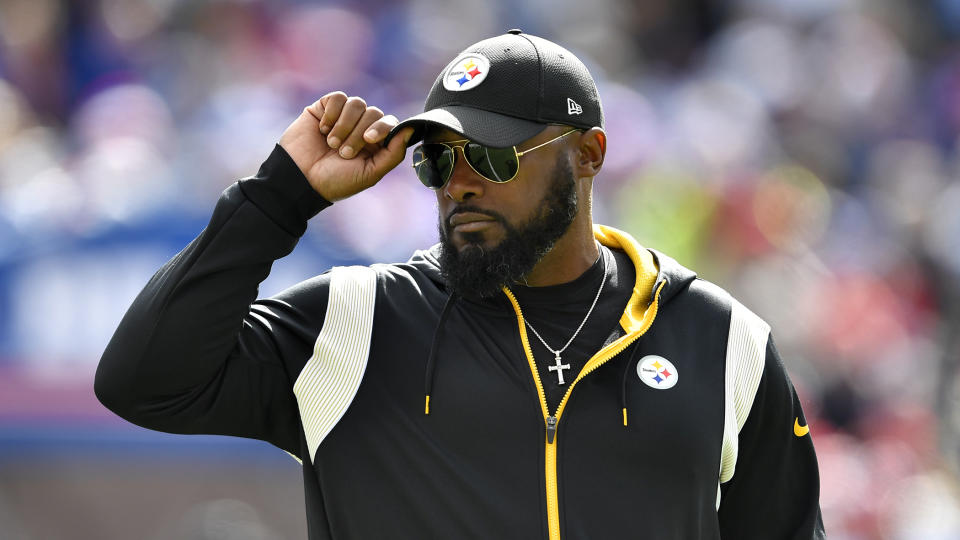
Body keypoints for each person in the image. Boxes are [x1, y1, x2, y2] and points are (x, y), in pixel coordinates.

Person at [95, 30, 825, 539]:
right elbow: (142, 381)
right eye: (437, 161)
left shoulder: (723, 340)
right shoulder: (360, 321)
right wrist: (280, 198)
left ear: (588, 155)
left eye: (492, 156)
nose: (461, 184)